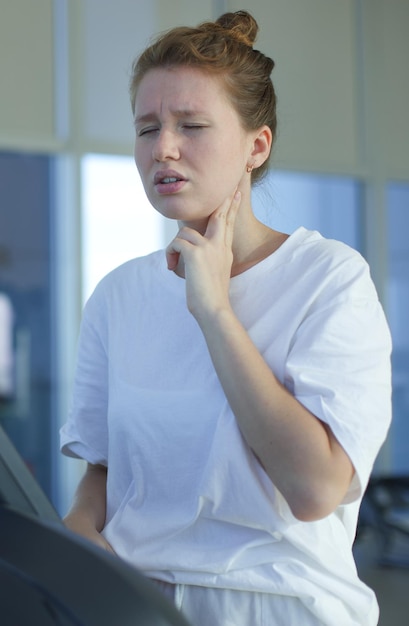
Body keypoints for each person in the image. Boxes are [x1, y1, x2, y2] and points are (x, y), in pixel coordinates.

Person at [60, 10, 392, 626]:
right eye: (146, 127)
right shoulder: (118, 295)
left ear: (256, 146)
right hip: (134, 604)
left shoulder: (328, 279)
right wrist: (78, 528)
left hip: (280, 606)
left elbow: (315, 488)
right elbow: (103, 469)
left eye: (192, 125)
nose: (163, 147)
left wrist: (213, 309)